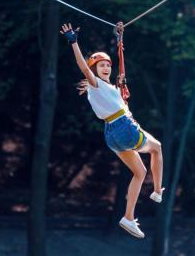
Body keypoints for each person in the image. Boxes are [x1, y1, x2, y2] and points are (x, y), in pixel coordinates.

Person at [60, 23, 164, 239]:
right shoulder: (96, 84)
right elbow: (82, 66)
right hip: (123, 128)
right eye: (101, 66)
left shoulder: (113, 88)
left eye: (108, 65)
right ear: (95, 70)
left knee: (140, 172)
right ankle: (156, 192)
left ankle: (128, 217)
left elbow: (120, 65)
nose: (106, 68)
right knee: (157, 148)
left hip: (111, 136)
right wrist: (73, 42)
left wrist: (119, 37)